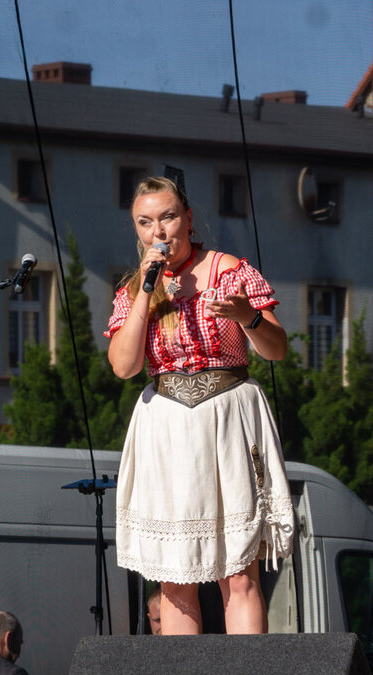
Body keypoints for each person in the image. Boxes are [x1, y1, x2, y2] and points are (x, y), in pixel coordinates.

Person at [106, 175, 295, 635]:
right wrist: (145, 292)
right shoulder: (134, 290)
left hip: (227, 415)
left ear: (188, 219)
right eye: (145, 222)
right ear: (137, 230)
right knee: (175, 576)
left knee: (239, 572)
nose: (158, 231)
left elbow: (276, 349)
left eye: (168, 217)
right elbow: (125, 366)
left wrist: (247, 317)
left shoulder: (230, 271)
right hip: (167, 424)